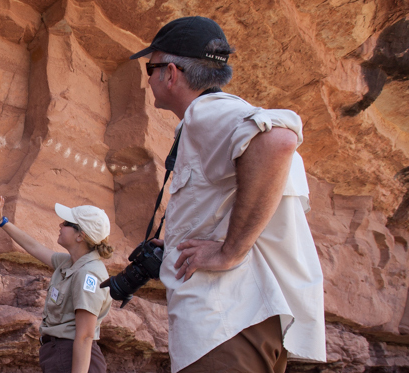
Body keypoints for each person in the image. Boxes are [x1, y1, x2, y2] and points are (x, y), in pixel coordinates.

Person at [128, 16, 327, 372]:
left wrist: (229, 251)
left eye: (150, 68)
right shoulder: (218, 117)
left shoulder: (210, 113)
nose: (149, 78)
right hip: (246, 320)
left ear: (170, 73)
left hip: (224, 324)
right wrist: (176, 243)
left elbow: (278, 140)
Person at [0, 196, 113, 373]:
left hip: (74, 359)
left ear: (80, 236)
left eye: (67, 223)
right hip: (60, 354)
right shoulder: (70, 263)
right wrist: (1, 221)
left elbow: (85, 336)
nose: (60, 225)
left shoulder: (87, 275)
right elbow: (35, 247)